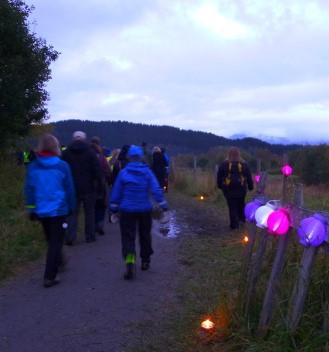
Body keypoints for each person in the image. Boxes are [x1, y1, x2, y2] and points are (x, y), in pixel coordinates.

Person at [109, 145, 168, 280]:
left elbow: (116, 193)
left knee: (128, 238)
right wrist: (163, 205)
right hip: (144, 210)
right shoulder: (147, 172)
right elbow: (156, 190)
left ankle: (130, 261)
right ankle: (145, 260)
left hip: (127, 211)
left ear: (129, 157)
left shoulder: (123, 173)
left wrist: (113, 208)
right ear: (141, 157)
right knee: (145, 235)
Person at [25, 134, 76, 288]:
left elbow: (29, 190)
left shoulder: (33, 166)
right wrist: (71, 207)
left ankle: (59, 261)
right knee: (55, 242)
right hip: (58, 210)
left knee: (51, 240)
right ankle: (49, 276)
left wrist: (32, 208)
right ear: (56, 147)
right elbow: (69, 189)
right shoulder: (62, 166)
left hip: (41, 211)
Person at [62, 131, 101, 244]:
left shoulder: (66, 153)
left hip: (72, 188)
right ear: (84, 139)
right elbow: (97, 170)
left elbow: (62, 170)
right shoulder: (90, 152)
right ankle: (90, 236)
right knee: (90, 213)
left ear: (73, 139)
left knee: (72, 214)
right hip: (88, 188)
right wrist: (98, 184)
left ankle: (70, 237)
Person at [217, 147, 254, 230]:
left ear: (228, 154)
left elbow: (219, 176)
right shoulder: (244, 164)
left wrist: (220, 186)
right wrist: (251, 187)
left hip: (228, 189)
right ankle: (242, 221)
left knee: (232, 206)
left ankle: (234, 225)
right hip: (241, 189)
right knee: (241, 205)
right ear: (239, 154)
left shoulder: (223, 164)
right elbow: (248, 176)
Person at [91, 136, 111, 235]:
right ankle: (100, 225)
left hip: (89, 185)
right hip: (101, 185)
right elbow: (108, 171)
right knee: (101, 206)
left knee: (91, 207)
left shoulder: (86, 154)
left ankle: (92, 227)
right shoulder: (102, 157)